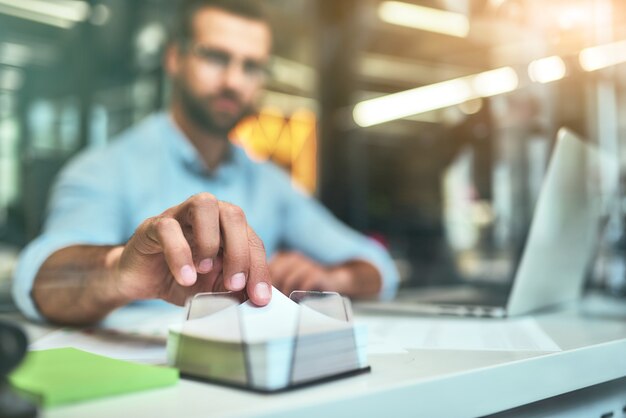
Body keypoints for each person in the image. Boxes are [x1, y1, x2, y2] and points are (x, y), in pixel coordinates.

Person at [12, 0, 399, 326]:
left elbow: (379, 265)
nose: (233, 80)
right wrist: (119, 272)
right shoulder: (103, 169)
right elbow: (40, 279)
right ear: (175, 59)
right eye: (216, 57)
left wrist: (333, 277)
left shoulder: (267, 181)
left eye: (251, 66)